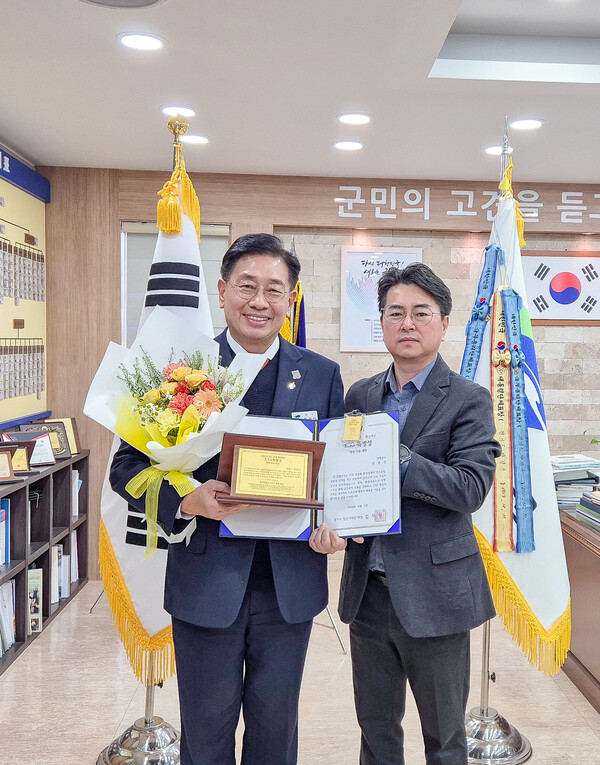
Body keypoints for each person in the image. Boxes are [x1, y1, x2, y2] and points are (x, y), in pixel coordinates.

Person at [110, 233, 344, 765]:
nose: (259, 301)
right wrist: (187, 499)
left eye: (274, 289)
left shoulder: (322, 375)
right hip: (206, 580)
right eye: (247, 287)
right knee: (206, 727)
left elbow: (336, 471)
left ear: (291, 298)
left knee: (276, 726)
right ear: (222, 291)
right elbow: (126, 469)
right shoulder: (179, 369)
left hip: (290, 585)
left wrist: (339, 523)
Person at [310, 263, 501, 765]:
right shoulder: (360, 395)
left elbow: (471, 488)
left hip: (437, 597)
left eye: (422, 313)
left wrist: (398, 458)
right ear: (382, 323)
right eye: (395, 313)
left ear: (442, 324)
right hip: (368, 592)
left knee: (445, 738)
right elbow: (340, 480)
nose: (408, 323)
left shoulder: (469, 400)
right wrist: (328, 520)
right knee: (375, 732)